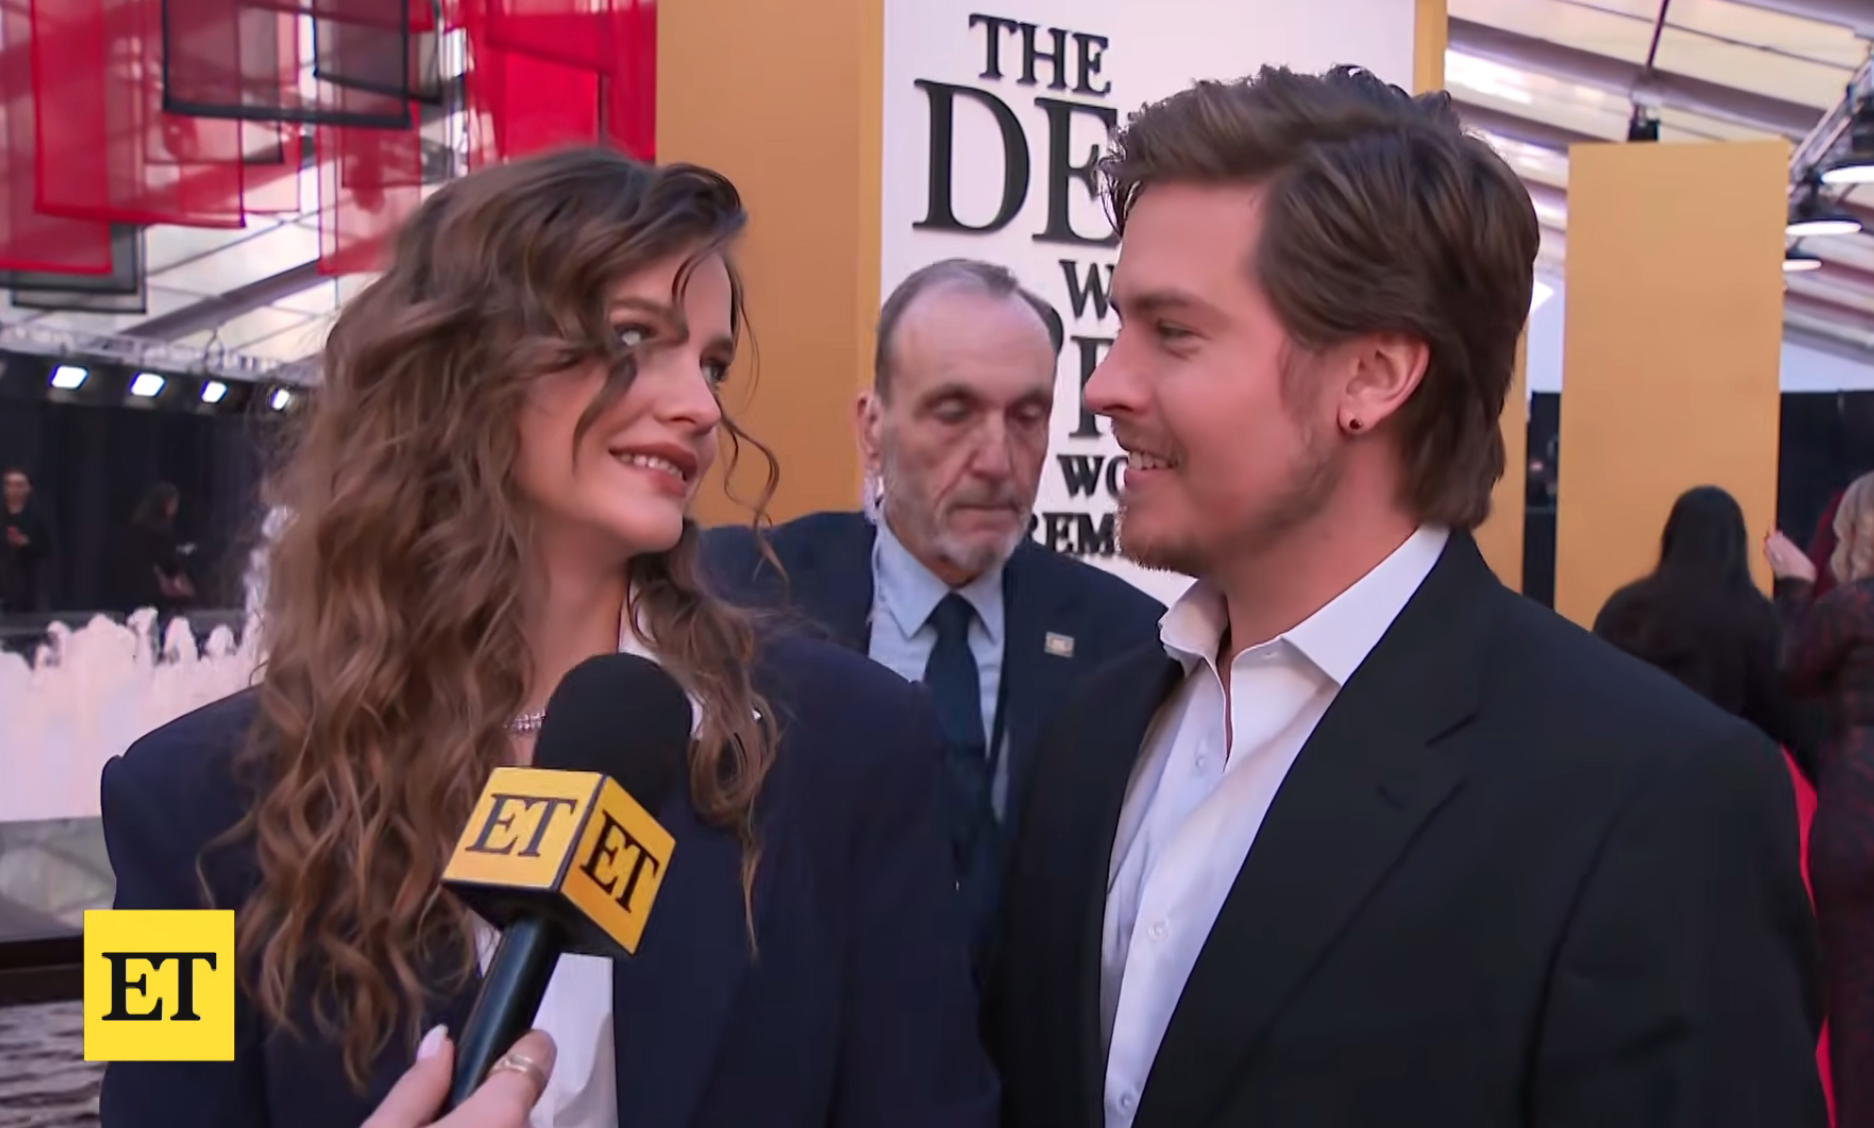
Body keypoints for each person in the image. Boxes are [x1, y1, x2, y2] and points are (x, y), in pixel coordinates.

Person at [987, 66, 1825, 1128]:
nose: (1104, 384)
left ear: (1372, 376)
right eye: (1121, 325)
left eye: (1174, 332)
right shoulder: (1089, 739)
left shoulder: (1648, 801)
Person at [98, 148, 994, 1128]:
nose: (698, 407)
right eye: (629, 340)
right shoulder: (170, 809)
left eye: (711, 362)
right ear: (460, 370)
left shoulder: (858, 747)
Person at [703, 258, 1163, 973]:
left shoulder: (1127, 644)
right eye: (954, 412)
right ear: (872, 428)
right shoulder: (743, 596)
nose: (994, 459)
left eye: (1027, 417)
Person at [1767, 471, 1874, 1128]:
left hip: (1857, 812)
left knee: (1856, 997)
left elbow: (1791, 669)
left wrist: (1796, 590)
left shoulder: (1851, 608)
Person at [1594, 485, 1819, 778]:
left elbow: (1597, 697)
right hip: (1718, 789)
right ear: (1737, 545)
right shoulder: (1754, 618)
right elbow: (1794, 719)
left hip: (1631, 781)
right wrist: (1796, 592)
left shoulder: (1624, 609)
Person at [0, 467, 51, 612]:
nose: (13, 489)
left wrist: (26, 543)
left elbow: (47, 548)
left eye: (19, 485)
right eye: (9, 484)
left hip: (29, 588)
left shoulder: (37, 516)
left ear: (28, 488)